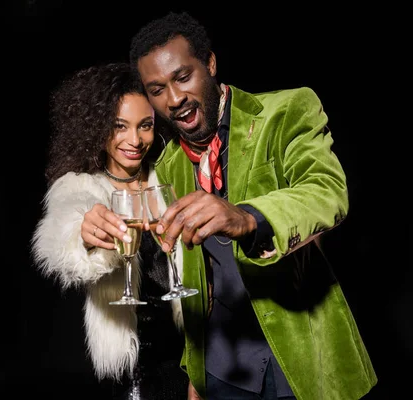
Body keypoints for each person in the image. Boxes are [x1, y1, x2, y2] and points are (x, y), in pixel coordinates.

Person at [128, 11, 377, 400]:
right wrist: (195, 375)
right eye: (157, 89)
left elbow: (326, 190)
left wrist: (249, 217)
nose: (174, 99)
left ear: (209, 64)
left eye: (182, 77)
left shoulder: (286, 111)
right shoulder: (168, 165)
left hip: (301, 359)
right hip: (222, 369)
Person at [30, 62, 190, 399]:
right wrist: (84, 232)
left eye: (145, 126)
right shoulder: (80, 186)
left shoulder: (171, 174)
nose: (134, 140)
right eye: (120, 126)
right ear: (97, 128)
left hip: (191, 353)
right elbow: (66, 228)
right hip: (132, 365)